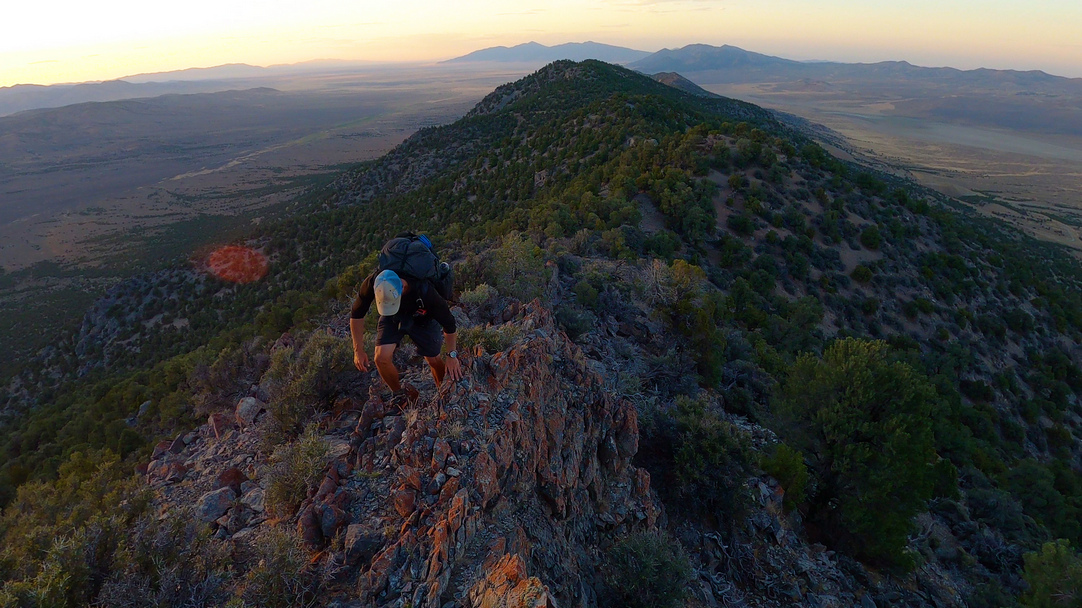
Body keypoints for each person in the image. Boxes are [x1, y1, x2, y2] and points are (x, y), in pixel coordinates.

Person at [350, 268, 463, 397]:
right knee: (381, 358)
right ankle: (401, 396)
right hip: (393, 315)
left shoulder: (426, 291)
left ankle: (445, 394)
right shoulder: (375, 282)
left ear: (403, 288)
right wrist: (358, 350)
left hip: (422, 316)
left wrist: (451, 355)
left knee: (433, 359)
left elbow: (449, 324)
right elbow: (356, 314)